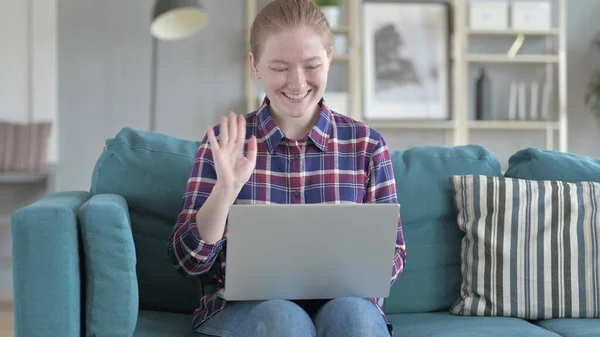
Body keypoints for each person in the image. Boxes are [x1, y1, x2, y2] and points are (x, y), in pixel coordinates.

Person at [167, 0, 406, 336]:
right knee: (285, 320)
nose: (297, 83)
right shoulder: (223, 145)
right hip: (245, 310)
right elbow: (188, 262)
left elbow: (394, 253)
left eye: (311, 65)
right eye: (280, 68)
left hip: (347, 303)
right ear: (255, 64)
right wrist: (225, 192)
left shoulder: (367, 145)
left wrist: (357, 272)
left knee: (353, 316)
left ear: (329, 59)